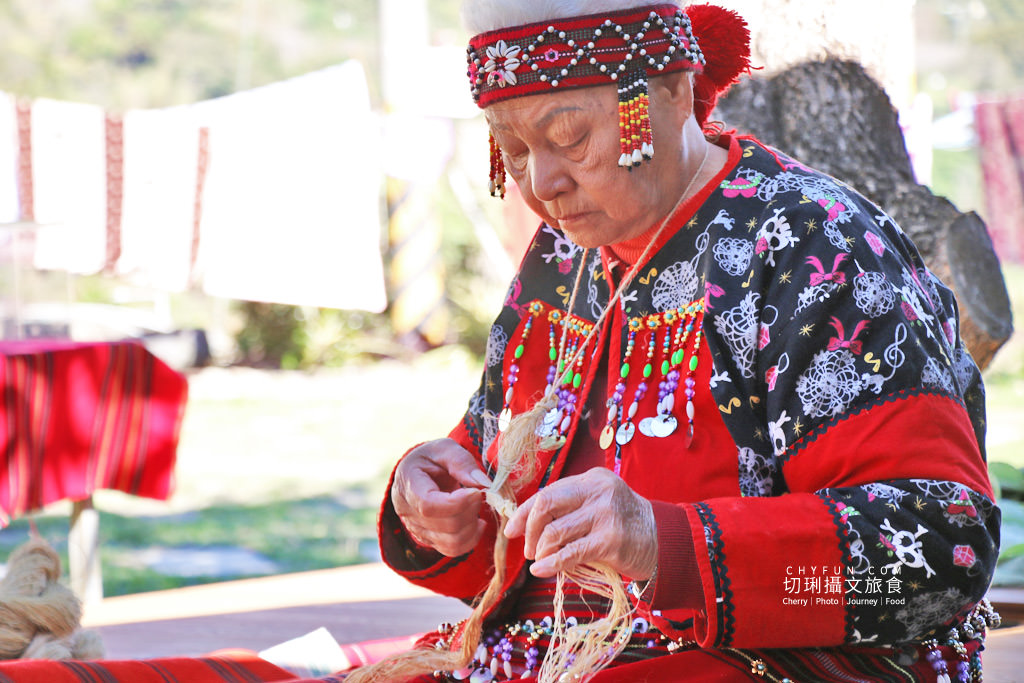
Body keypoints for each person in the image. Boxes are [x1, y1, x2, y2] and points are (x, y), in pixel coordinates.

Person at [376, 1, 1002, 681]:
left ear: (674, 92)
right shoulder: (562, 259)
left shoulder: (814, 248)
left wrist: (669, 545)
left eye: (571, 137)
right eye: (516, 152)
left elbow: (938, 560)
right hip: (543, 656)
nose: (544, 186)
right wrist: (437, 505)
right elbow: (499, 500)